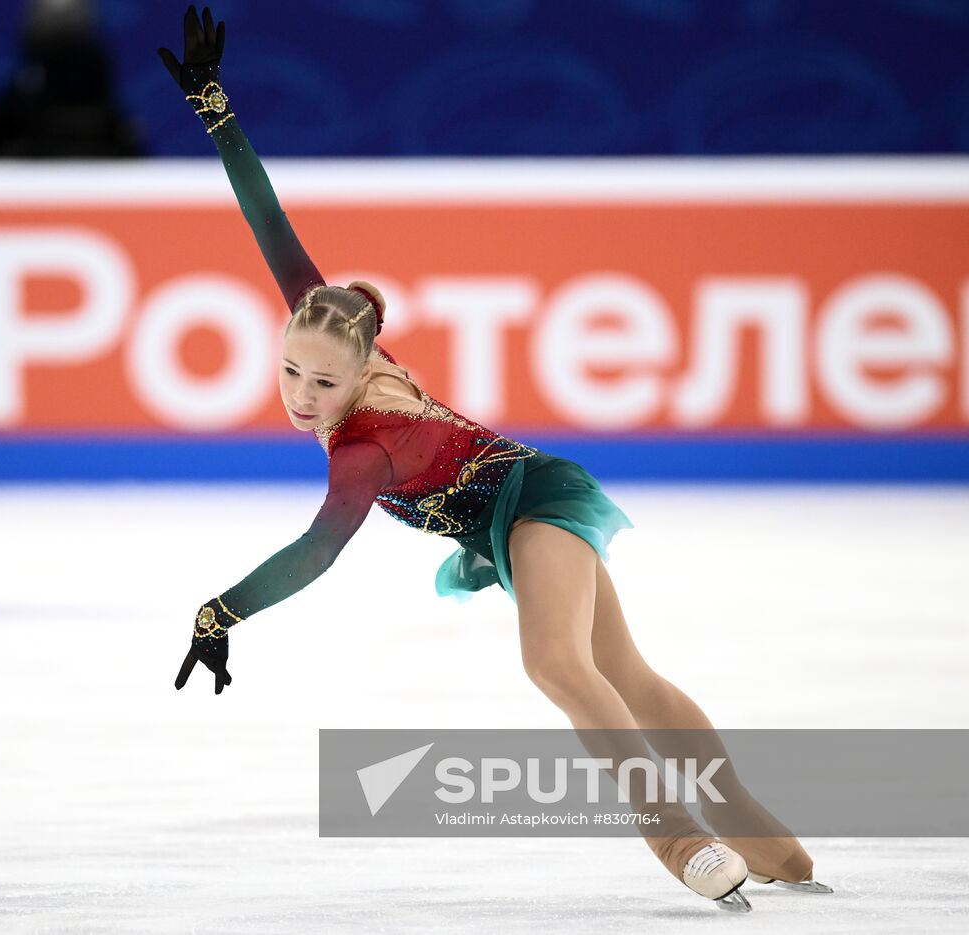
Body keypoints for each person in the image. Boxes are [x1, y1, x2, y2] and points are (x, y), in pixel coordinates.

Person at [161, 6, 830, 912]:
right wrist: (214, 108)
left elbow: (320, 548)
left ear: (362, 370)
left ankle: (685, 843)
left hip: (534, 499)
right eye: (289, 372)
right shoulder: (337, 326)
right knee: (621, 674)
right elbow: (266, 217)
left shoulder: (362, 450)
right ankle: (765, 835)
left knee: (558, 664)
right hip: (512, 520)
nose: (300, 394)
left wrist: (222, 609)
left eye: (322, 381)